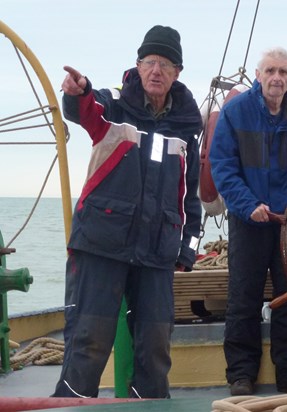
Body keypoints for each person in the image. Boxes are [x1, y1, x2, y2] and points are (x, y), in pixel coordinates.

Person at [52, 25, 202, 399]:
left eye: (166, 64)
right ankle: (69, 407)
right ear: (137, 66)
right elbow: (87, 109)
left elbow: (190, 201)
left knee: (154, 349)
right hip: (101, 245)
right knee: (89, 343)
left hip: (157, 253)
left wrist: (188, 249)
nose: (157, 70)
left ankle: (148, 406)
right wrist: (79, 92)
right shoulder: (114, 107)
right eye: (150, 61)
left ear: (177, 73)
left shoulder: (186, 130)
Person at [209, 46, 287, 396]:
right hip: (249, 220)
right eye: (270, 71)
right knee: (243, 299)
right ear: (258, 76)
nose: (277, 78)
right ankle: (240, 376)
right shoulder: (236, 112)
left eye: (283, 72)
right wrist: (247, 204)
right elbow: (222, 166)